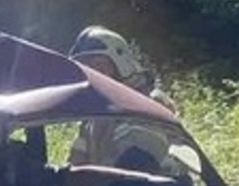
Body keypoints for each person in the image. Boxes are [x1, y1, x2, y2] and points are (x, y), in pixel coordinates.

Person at [67, 25, 177, 171]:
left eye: (98, 66)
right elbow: (76, 165)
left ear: (120, 64)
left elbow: (136, 173)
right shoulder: (95, 115)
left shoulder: (148, 108)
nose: (92, 74)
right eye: (85, 68)